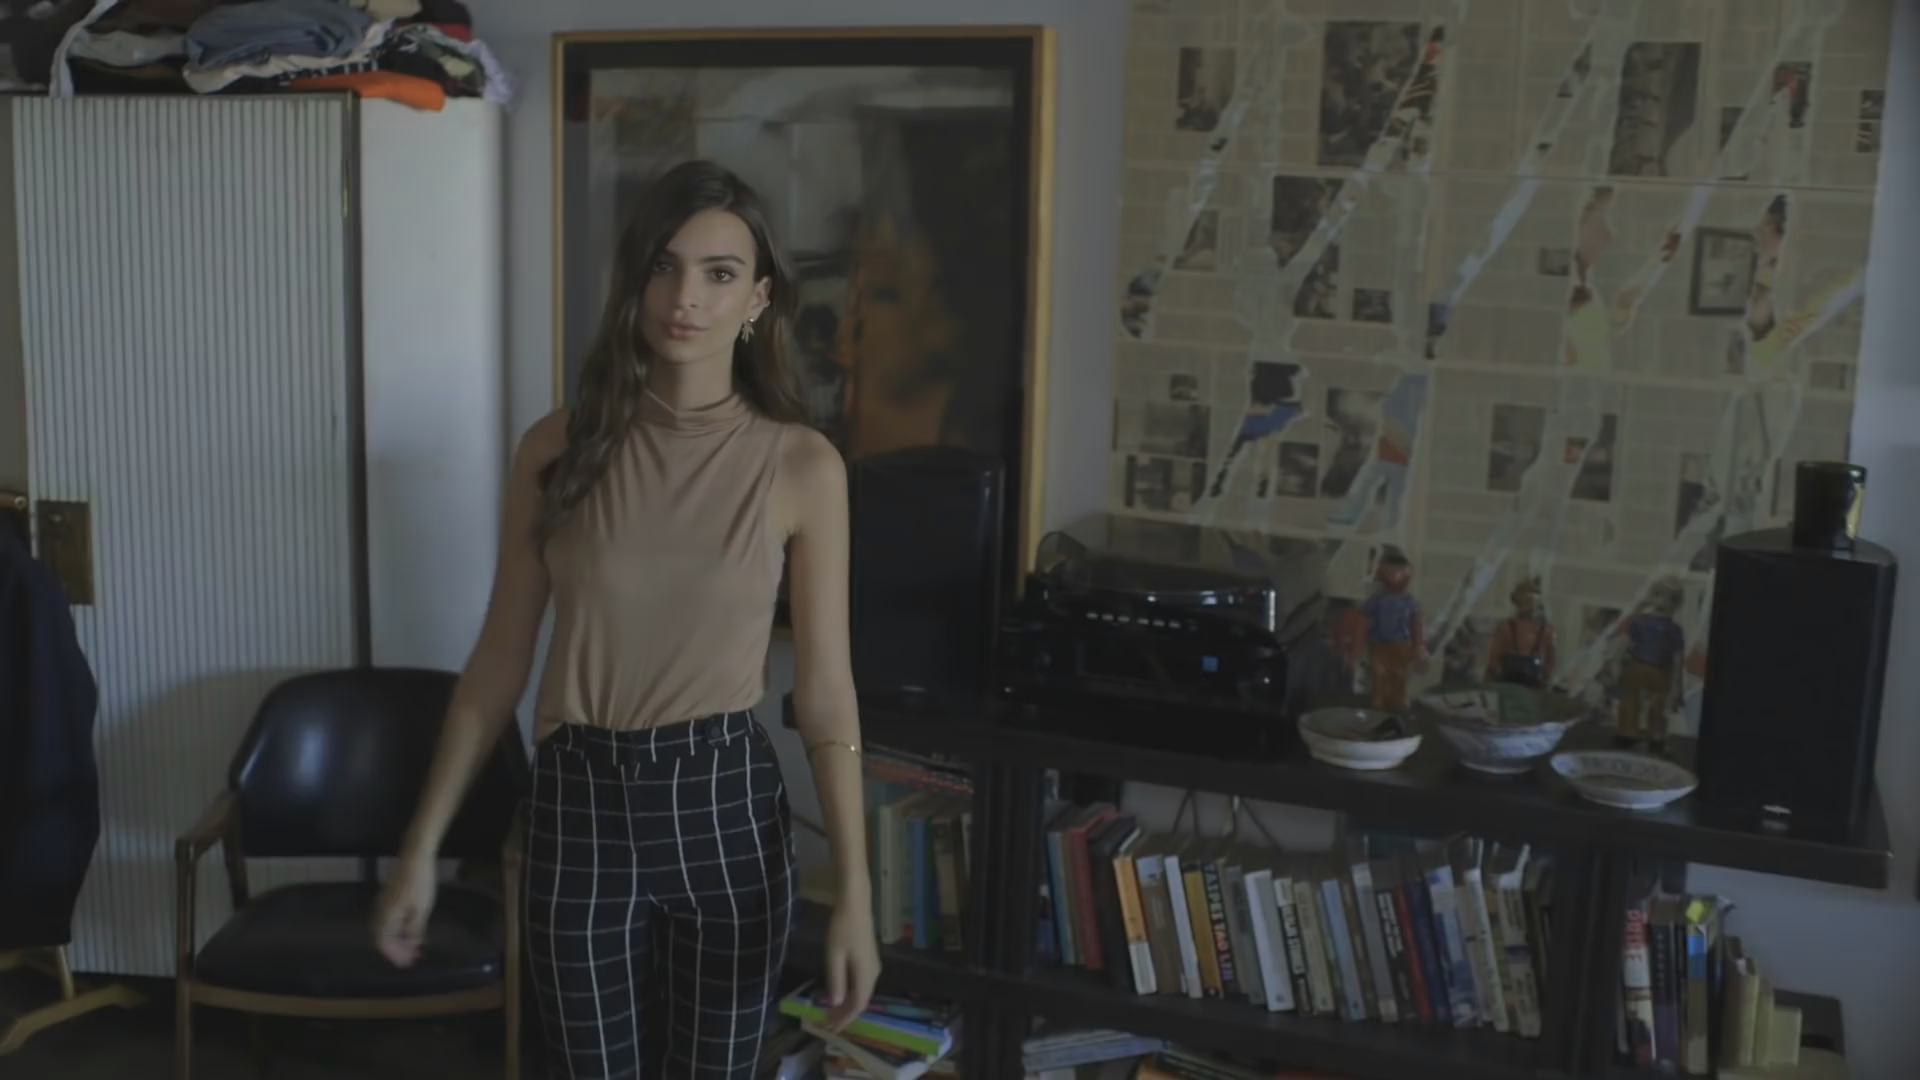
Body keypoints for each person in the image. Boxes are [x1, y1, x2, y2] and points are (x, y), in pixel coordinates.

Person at [370, 160, 879, 1079]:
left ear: (758, 299)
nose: (686, 298)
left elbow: (827, 693)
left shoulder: (802, 467)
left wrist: (855, 891)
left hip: (723, 804)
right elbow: (498, 662)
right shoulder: (555, 448)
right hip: (578, 801)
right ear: (635, 280)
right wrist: (422, 845)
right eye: (664, 266)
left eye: (719, 273)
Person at [1484, 577, 1555, 689]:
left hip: (1517, 684)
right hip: (1519, 684)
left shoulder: (1544, 630)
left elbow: (1494, 659)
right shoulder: (1507, 627)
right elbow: (1494, 658)